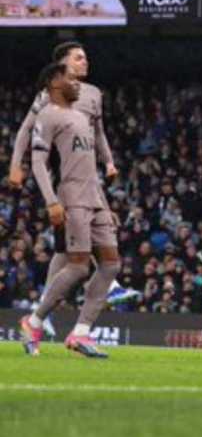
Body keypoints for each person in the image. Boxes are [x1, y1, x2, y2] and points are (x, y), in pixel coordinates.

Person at [8, 42, 139, 319]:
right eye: (78, 58)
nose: (85, 62)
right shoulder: (48, 96)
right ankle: (102, 290)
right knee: (72, 249)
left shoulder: (93, 94)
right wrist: (15, 165)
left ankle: (43, 312)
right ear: (62, 64)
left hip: (89, 175)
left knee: (67, 251)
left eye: (86, 58)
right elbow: (25, 131)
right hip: (63, 177)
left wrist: (109, 161)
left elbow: (99, 132)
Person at [18, 62, 122, 358]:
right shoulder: (47, 115)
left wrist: (104, 199)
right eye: (70, 78)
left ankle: (81, 334)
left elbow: (90, 162)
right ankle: (34, 320)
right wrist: (51, 200)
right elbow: (38, 162)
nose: (77, 82)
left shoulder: (80, 116)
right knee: (77, 266)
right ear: (54, 81)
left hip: (95, 196)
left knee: (111, 265)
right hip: (72, 196)